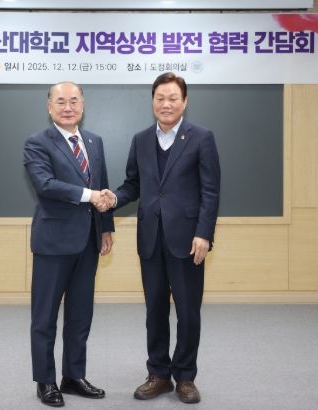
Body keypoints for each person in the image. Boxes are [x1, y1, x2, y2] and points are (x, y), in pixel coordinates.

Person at [104, 72, 220, 404]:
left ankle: (185, 377)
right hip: (151, 239)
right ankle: (158, 373)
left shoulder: (201, 138)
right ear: (153, 101)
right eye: (160, 98)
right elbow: (133, 185)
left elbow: (211, 191)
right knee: (154, 310)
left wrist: (204, 233)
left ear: (184, 101)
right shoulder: (141, 140)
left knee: (188, 312)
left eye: (173, 98)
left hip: (188, 241)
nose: (166, 104)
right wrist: (114, 198)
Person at [23, 81, 114, 407]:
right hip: (53, 243)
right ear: (49, 107)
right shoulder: (37, 143)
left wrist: (106, 228)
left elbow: (102, 184)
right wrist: (90, 196)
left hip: (88, 242)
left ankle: (73, 376)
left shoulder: (94, 141)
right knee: (44, 317)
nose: (68, 107)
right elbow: (45, 185)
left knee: (80, 315)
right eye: (60, 101)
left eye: (74, 101)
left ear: (83, 105)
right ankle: (45, 381)